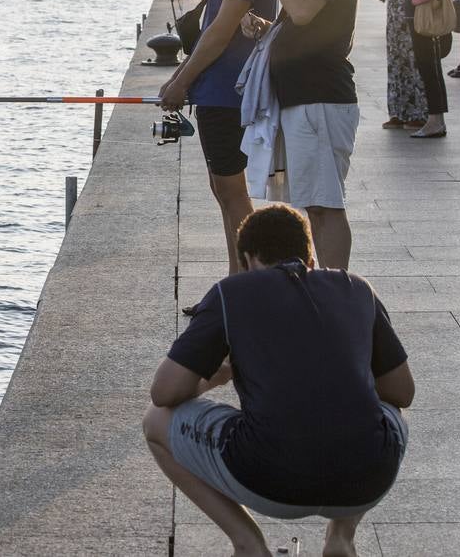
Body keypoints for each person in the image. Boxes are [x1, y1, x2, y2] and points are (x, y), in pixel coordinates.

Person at [143, 205, 413, 557]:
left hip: (267, 479)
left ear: (248, 259)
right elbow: (402, 391)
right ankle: (341, 538)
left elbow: (165, 391)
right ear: (310, 257)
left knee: (155, 422)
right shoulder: (357, 288)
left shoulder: (231, 293)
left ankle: (248, 543)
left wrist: (220, 376)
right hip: (366, 480)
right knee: (391, 413)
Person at [159, 0, 277, 277]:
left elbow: (219, 32)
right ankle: (236, 277)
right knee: (224, 190)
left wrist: (180, 80)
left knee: (231, 190)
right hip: (219, 90)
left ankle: (246, 280)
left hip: (227, 91)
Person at [242, 0, 359, 270]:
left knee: (326, 203)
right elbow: (299, 16)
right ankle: (325, 287)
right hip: (305, 98)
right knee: (315, 201)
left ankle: (334, 290)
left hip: (320, 97)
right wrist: (269, 28)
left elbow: (305, 11)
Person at [396, 0, 454, 139]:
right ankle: (437, 120)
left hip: (424, 24)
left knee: (429, 72)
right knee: (434, 72)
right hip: (433, 22)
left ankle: (434, 121)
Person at [373, 0, 427, 130]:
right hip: (394, 23)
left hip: (413, 20)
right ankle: (397, 112)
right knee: (396, 66)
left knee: (414, 66)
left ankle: (418, 112)